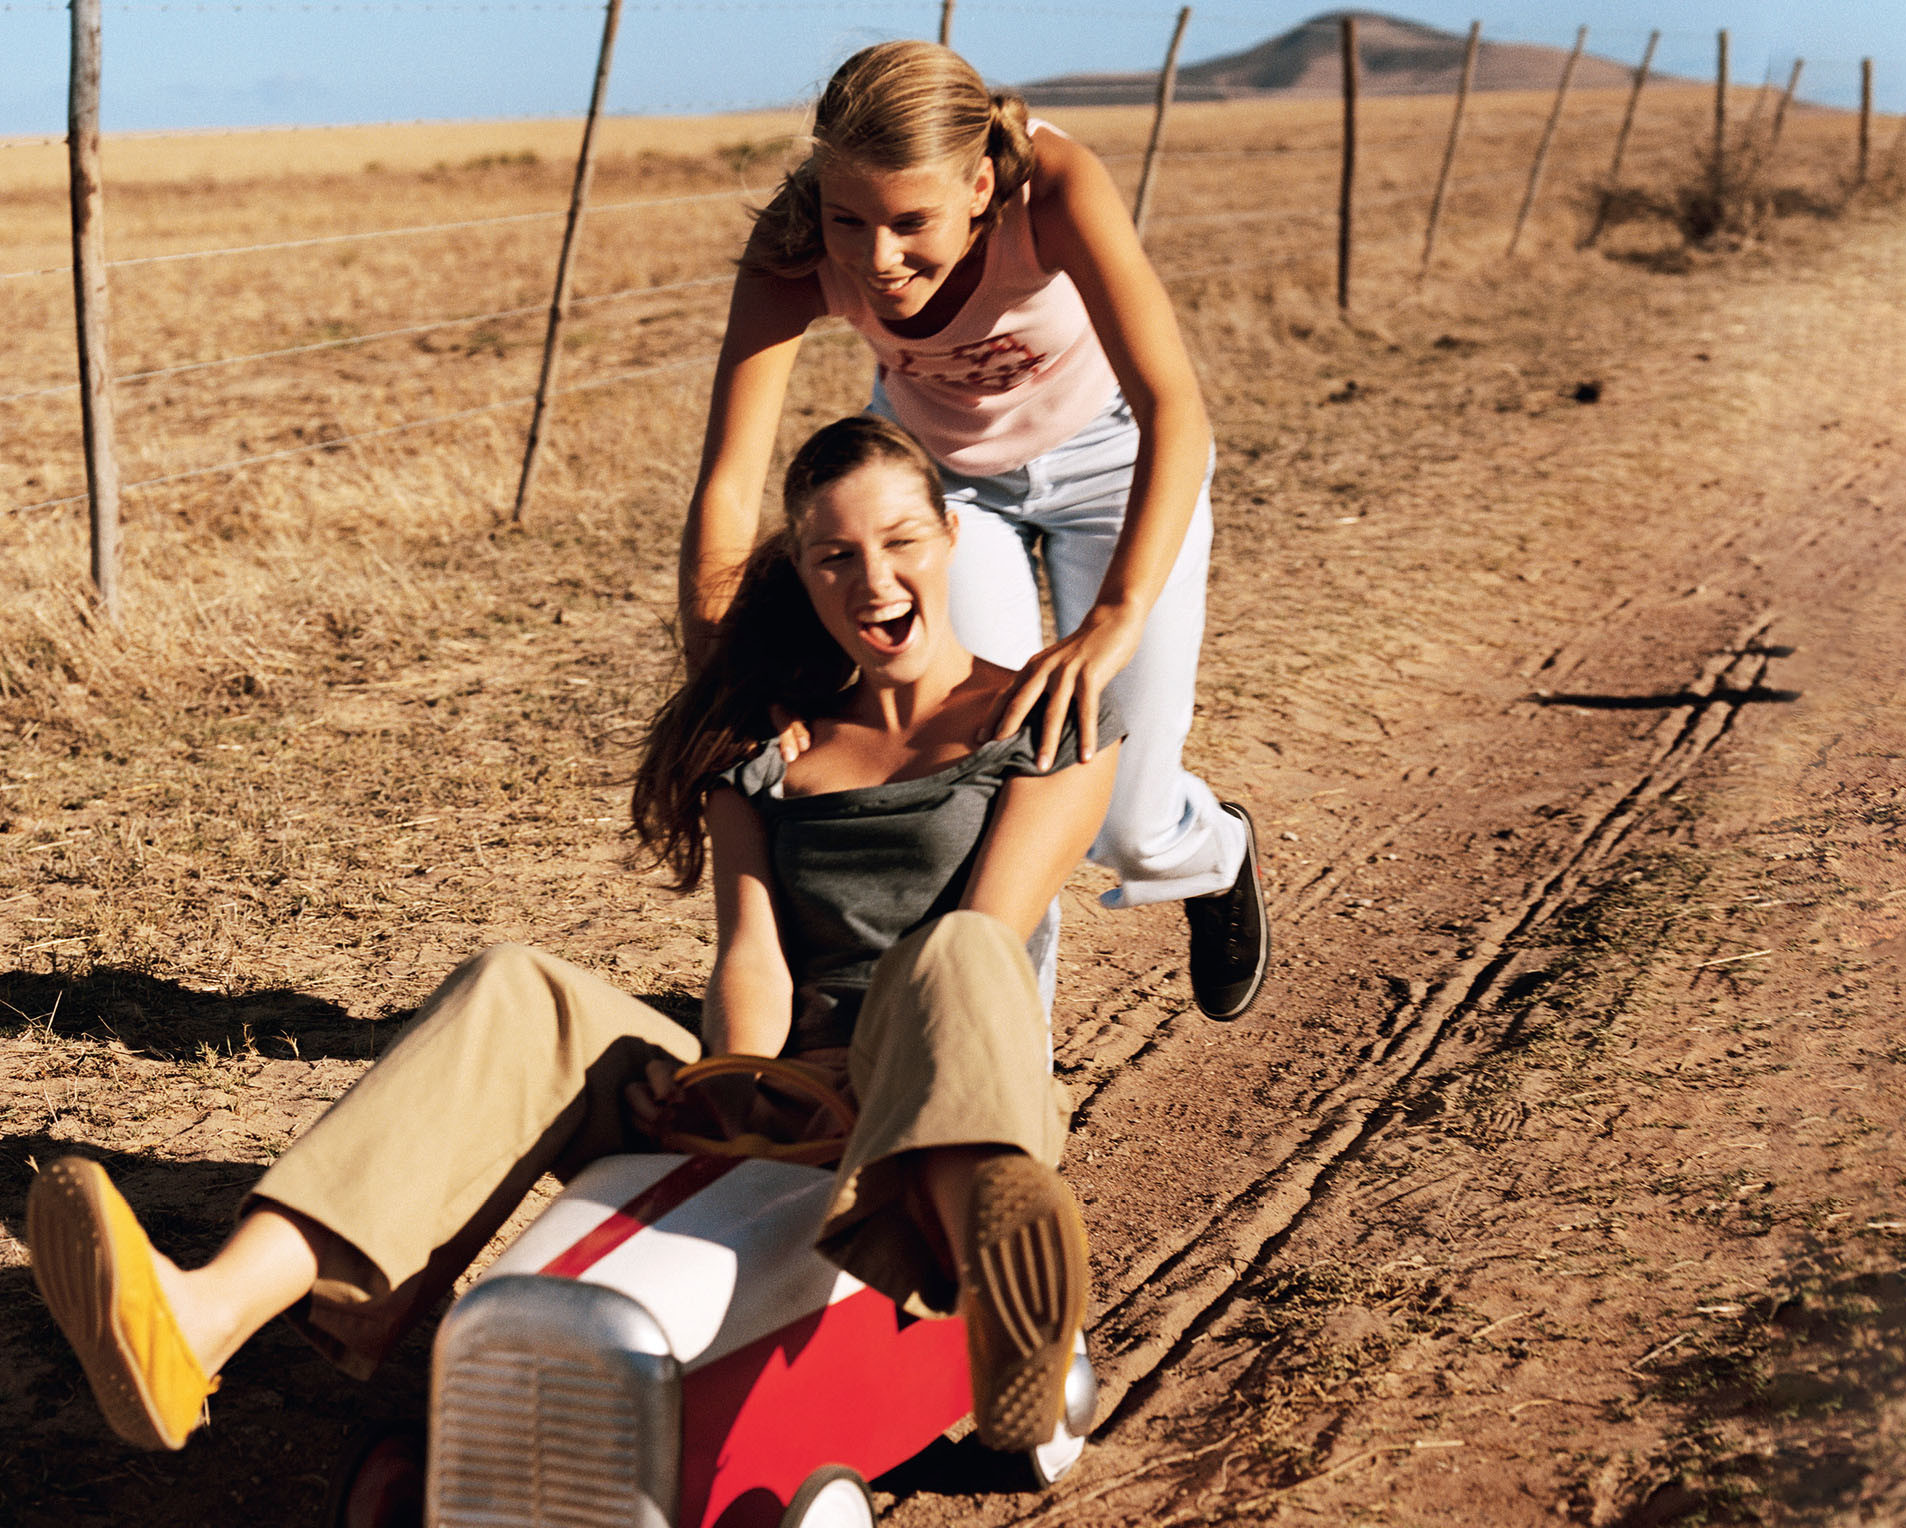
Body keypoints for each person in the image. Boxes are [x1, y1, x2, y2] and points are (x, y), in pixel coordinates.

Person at [26, 415, 1121, 1458]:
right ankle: (206, 1316)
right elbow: (750, 954)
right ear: (802, 572)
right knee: (517, 987)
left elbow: (988, 934)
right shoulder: (767, 751)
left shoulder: (1047, 723)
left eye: (900, 541)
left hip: (943, 1090)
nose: (873, 579)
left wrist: (829, 1087)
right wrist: (731, 1091)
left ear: (952, 537)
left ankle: (999, 1285)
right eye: (835, 556)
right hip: (782, 1089)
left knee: (953, 953)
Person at [682, 40, 1271, 1022]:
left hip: (1114, 462)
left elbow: (1174, 407)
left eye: (910, 223)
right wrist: (723, 683)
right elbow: (728, 484)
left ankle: (1210, 853)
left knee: (1124, 821)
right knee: (978, 787)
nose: (875, 259)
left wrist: (1115, 618)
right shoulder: (793, 248)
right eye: (848, 219)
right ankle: (988, 1070)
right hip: (949, 487)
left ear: (979, 187)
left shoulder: (1052, 189)